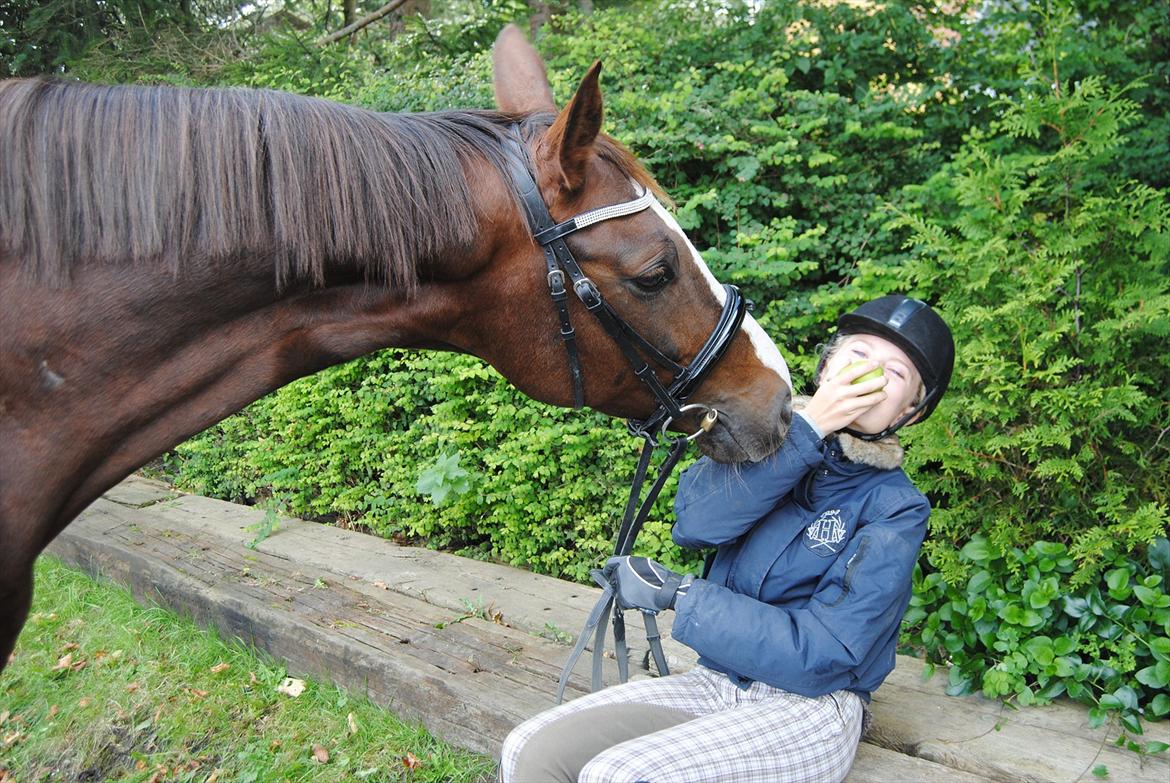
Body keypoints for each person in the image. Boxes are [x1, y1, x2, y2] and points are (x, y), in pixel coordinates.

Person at [499, 294, 955, 783]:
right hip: (716, 680)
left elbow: (829, 651)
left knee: (619, 775)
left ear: (911, 411)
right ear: (826, 368)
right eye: (859, 355)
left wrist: (683, 593)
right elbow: (696, 524)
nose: (871, 375)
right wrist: (811, 427)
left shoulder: (897, 509)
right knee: (529, 748)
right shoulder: (766, 441)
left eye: (897, 373)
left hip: (812, 707)